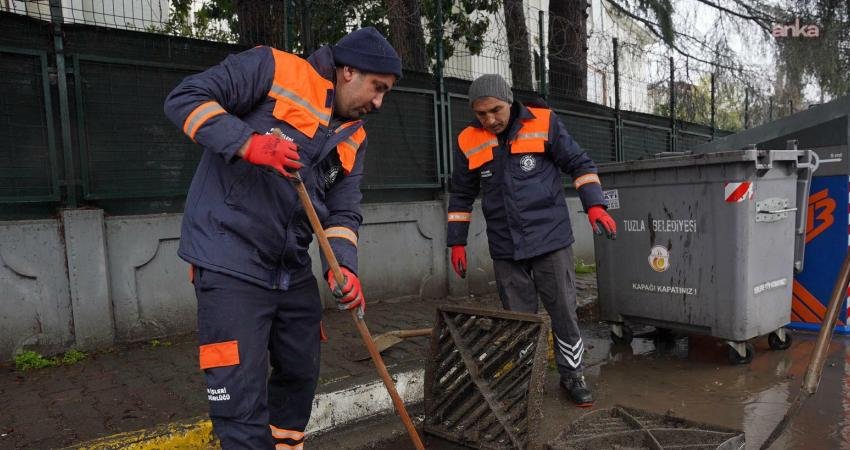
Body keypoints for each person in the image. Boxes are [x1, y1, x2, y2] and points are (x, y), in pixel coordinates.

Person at [163, 27, 401, 449]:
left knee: (299, 373)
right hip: (228, 258)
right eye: (377, 88)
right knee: (239, 396)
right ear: (349, 72)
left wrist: (342, 266)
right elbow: (185, 99)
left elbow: (344, 210)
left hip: (289, 270)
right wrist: (247, 143)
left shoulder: (354, 138)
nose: (379, 103)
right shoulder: (273, 68)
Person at [446, 74, 616, 407]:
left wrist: (594, 205)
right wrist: (456, 242)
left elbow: (579, 162)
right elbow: (462, 194)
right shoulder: (468, 139)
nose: (490, 120)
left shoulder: (544, 121)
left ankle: (572, 376)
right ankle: (526, 377)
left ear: (509, 101)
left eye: (496, 110)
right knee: (519, 318)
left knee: (563, 310)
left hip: (550, 238)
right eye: (481, 114)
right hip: (505, 245)